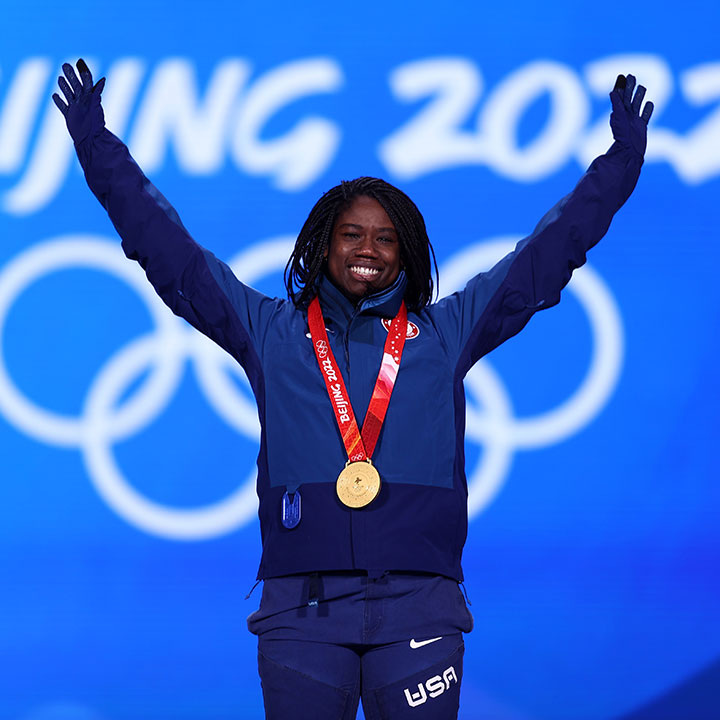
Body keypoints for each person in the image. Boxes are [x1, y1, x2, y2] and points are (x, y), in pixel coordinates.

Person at [53, 59, 653, 720]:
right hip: (300, 613)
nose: (369, 248)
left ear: (407, 252)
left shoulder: (445, 333)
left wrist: (620, 163)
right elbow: (166, 249)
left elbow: (548, 252)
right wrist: (95, 146)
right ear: (322, 245)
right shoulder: (270, 332)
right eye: (352, 234)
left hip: (419, 606)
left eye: (386, 238)